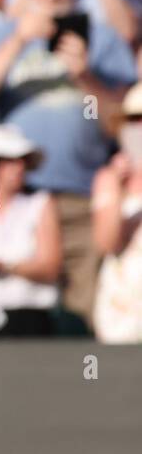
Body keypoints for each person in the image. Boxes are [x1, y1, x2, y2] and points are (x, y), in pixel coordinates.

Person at [0, 0, 138, 329]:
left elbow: (123, 121)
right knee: (16, 308)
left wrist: (84, 76)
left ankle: (92, 383)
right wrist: (20, 39)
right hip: (19, 196)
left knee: (89, 308)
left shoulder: (102, 39)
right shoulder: (4, 34)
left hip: (82, 196)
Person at [0, 124, 62, 337]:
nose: (19, 167)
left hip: (30, 320)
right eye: (9, 160)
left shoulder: (40, 203)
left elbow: (51, 268)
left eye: (23, 160)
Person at [91, 82, 142, 343]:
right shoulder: (109, 177)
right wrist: (119, 191)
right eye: (134, 120)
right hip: (125, 300)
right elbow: (107, 242)